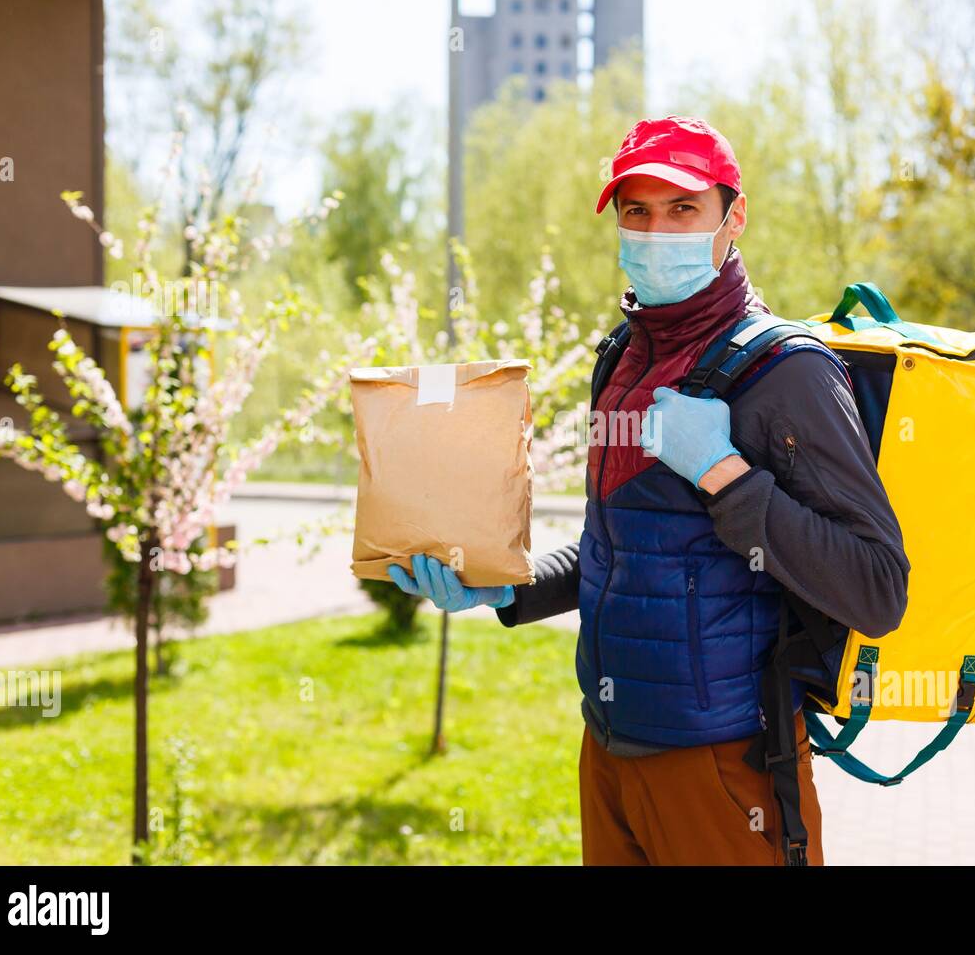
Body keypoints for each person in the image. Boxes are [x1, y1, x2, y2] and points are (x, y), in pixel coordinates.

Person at [387, 115, 910, 866]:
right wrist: (509, 588)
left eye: (682, 209)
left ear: (735, 218)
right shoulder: (623, 358)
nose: (655, 230)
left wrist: (725, 475)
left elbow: (878, 588)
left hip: (726, 761)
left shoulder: (789, 372)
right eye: (637, 211)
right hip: (607, 749)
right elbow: (618, 546)